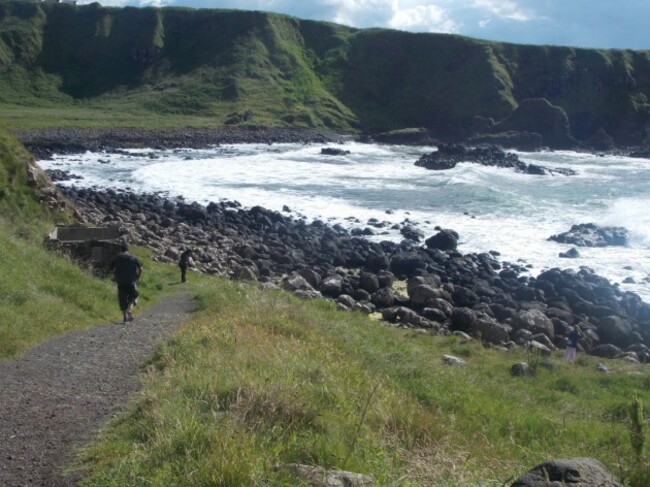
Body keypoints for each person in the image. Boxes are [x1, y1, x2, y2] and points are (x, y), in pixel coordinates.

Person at [110, 241, 142, 323]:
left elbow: (111, 268)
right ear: (128, 249)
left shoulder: (117, 258)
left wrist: (115, 276)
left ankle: (125, 317)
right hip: (131, 281)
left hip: (120, 281)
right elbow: (140, 269)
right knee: (134, 296)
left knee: (122, 298)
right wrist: (137, 278)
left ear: (121, 249)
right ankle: (130, 310)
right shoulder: (133, 258)